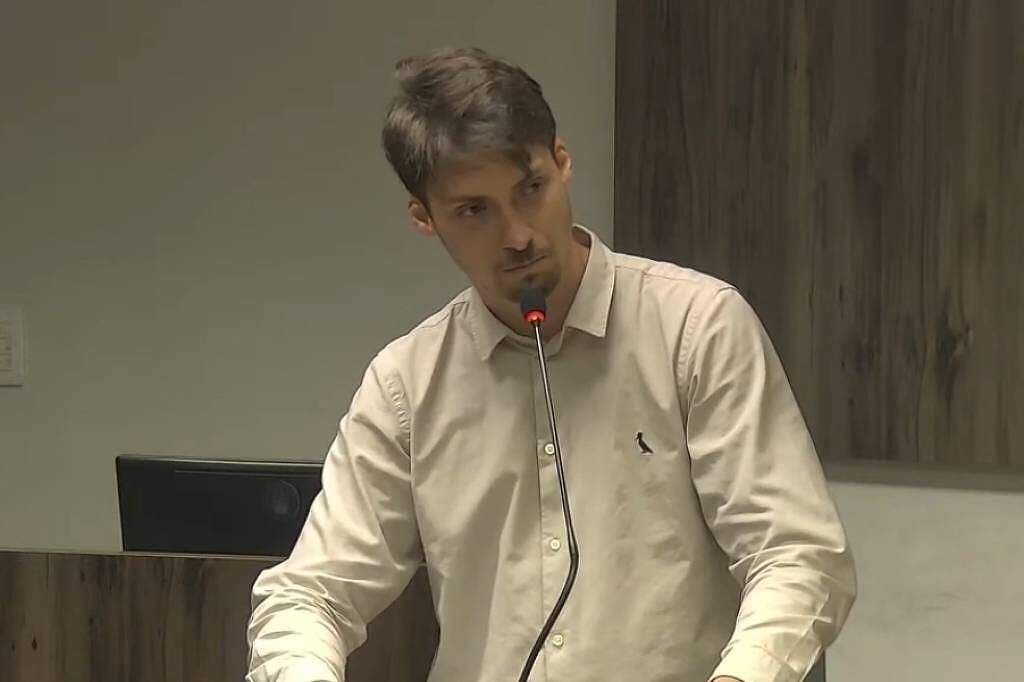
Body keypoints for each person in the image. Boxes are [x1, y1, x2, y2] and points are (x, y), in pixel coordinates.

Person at [246, 46, 856, 682]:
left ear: (562, 163)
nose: (518, 235)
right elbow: (309, 594)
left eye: (530, 189)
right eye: (475, 211)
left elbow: (797, 555)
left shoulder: (696, 329)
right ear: (425, 217)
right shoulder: (407, 384)